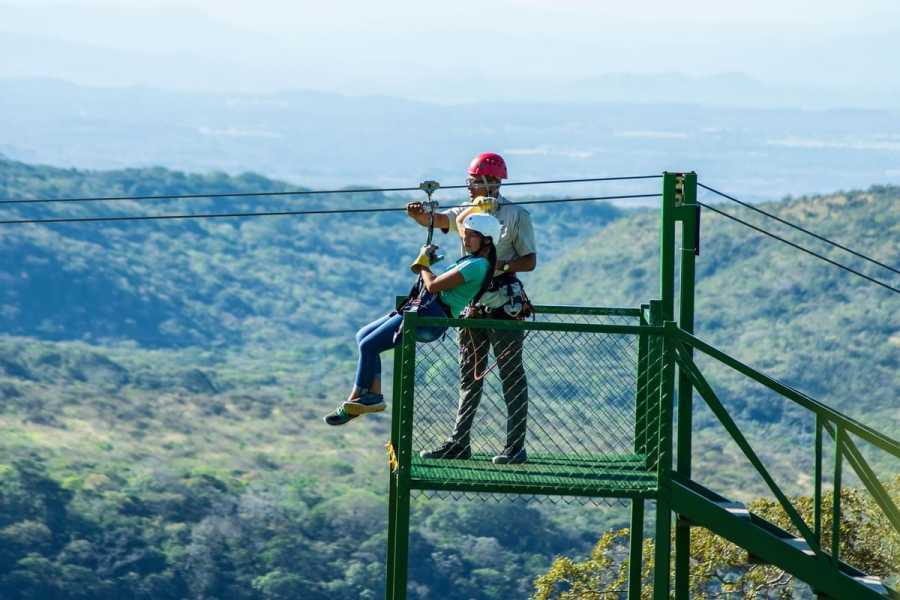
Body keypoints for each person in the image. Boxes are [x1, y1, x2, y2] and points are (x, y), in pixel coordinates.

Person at [406, 152, 537, 464]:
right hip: (474, 305)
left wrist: (495, 265)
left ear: (492, 182)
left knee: (511, 375)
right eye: (470, 180)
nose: (470, 187)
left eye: (475, 181)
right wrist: (418, 215)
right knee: (470, 376)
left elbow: (529, 260)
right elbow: (439, 220)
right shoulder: (467, 211)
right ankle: (458, 442)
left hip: (503, 304)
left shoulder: (516, 216)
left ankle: (514, 446)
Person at [323, 213, 502, 426]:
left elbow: (433, 286)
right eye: (466, 235)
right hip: (426, 310)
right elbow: (437, 284)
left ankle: (357, 399)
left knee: (369, 345)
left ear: (487, 240)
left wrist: (424, 264)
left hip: (431, 316)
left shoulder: (477, 265)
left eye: (472, 236)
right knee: (363, 336)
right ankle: (372, 396)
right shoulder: (472, 261)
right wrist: (427, 264)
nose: (466, 239)